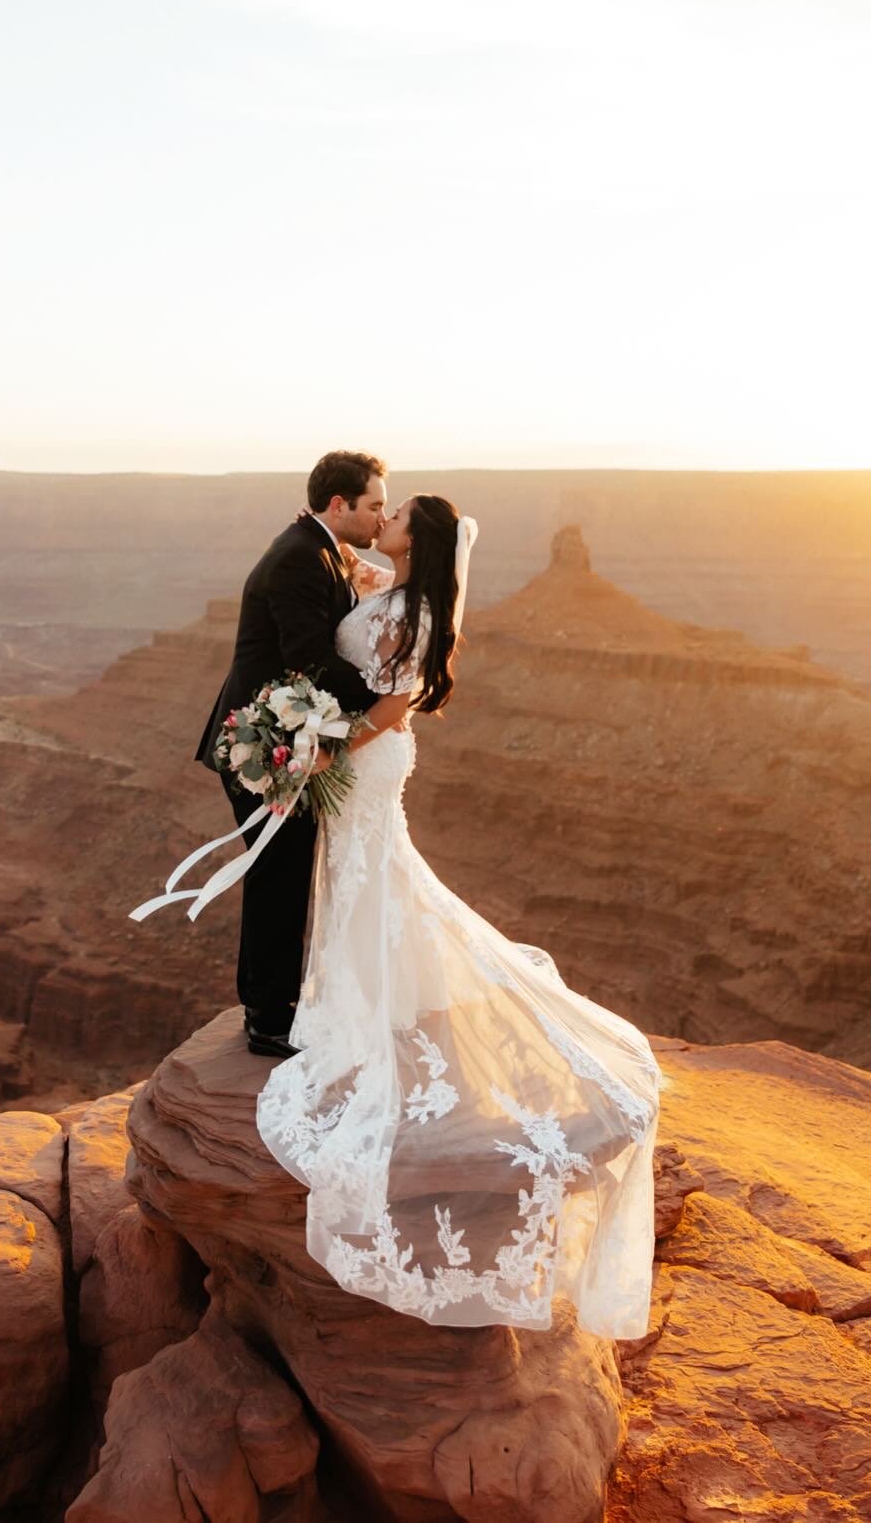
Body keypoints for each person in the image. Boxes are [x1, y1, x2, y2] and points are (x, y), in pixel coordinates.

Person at [254, 492, 663, 1340]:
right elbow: (366, 623)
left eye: (397, 512)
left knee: (376, 879)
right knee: (368, 881)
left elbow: (395, 703)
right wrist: (365, 586)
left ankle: (372, 1008)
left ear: (421, 536)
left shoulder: (416, 611)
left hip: (368, 753)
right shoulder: (399, 593)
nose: (386, 516)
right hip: (366, 752)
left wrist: (319, 752)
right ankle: (378, 999)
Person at [195, 451, 387, 1058]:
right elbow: (311, 659)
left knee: (282, 871)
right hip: (263, 743)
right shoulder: (302, 558)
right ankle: (268, 1019)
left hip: (284, 735)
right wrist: (389, 696)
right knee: (279, 875)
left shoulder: (320, 548)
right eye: (375, 505)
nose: (381, 517)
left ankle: (270, 1004)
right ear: (340, 505)